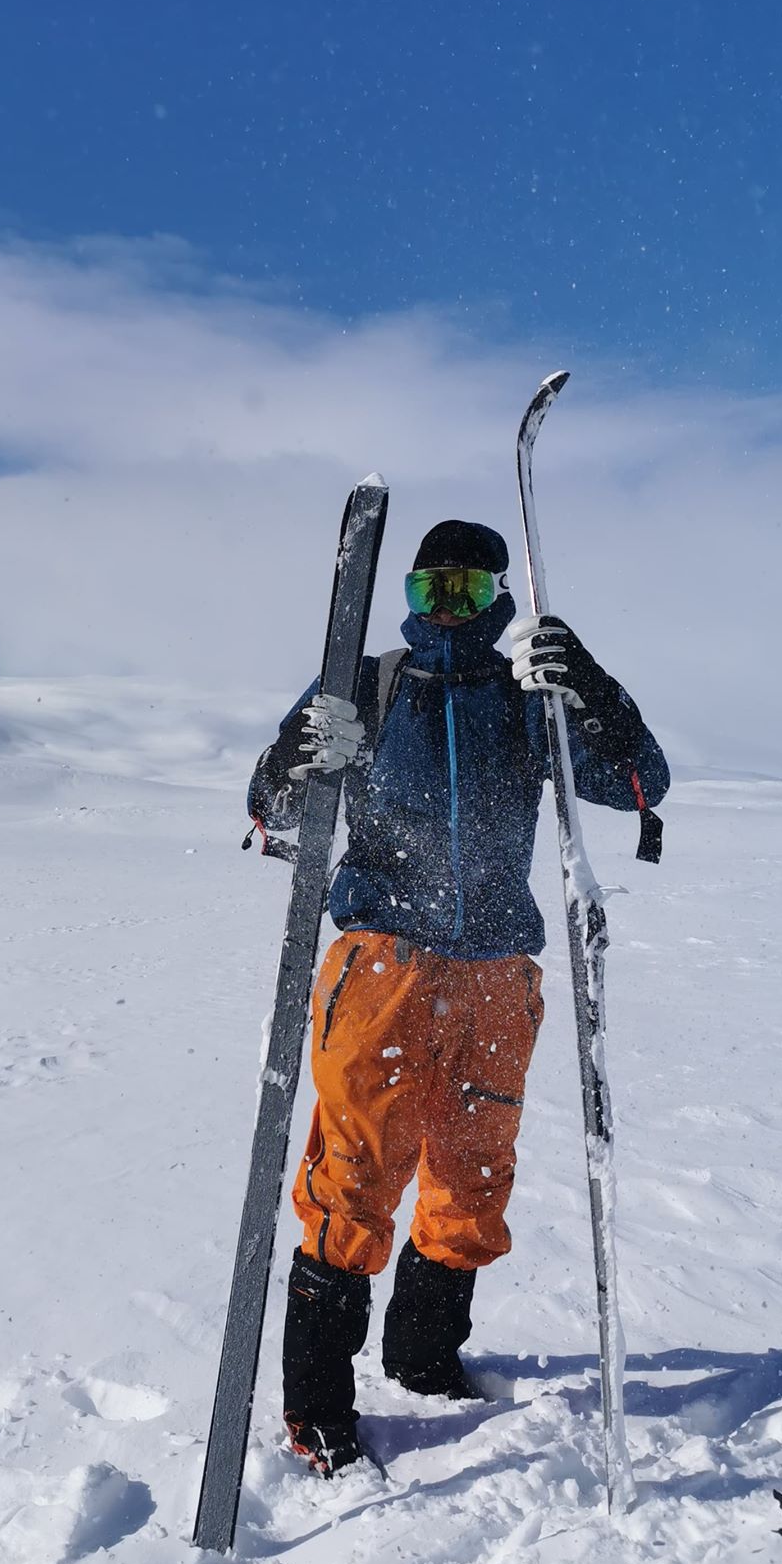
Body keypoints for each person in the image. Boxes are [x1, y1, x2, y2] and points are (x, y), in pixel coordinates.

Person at [246, 518, 669, 1476]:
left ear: (496, 599)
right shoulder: (368, 687)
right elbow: (267, 813)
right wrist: (300, 760)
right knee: (353, 1178)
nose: (449, 608)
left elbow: (642, 782)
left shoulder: (527, 699)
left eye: (469, 592)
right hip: (383, 964)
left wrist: (589, 689)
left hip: (495, 976)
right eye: (435, 588)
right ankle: (318, 1408)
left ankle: (425, 1356)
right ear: (407, 588)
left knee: (474, 1180)